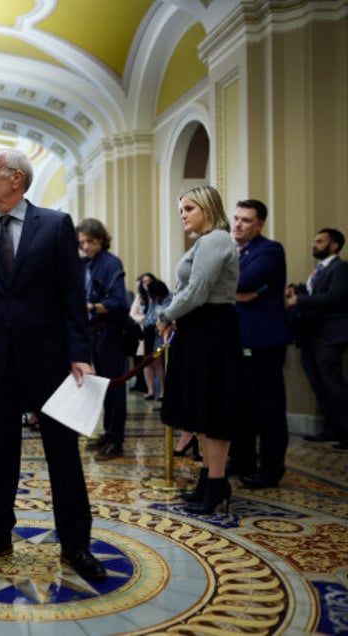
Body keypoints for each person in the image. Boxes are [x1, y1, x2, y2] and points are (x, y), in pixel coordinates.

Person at [0, 148, 105, 582]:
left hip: (51, 363)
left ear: (16, 178)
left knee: (64, 458)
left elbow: (71, 297)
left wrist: (80, 354)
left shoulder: (55, 225)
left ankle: (76, 543)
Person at [157, 185, 242, 514]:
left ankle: (217, 484)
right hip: (200, 329)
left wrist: (165, 315)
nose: (183, 215)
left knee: (214, 411)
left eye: (189, 209)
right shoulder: (205, 242)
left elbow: (198, 290)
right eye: (181, 210)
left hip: (212, 330)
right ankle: (208, 480)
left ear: (208, 208)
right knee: (203, 412)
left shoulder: (216, 239)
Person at [230, 200, 292, 486]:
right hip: (238, 339)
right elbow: (228, 285)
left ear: (260, 224)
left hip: (264, 341)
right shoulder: (234, 251)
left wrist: (236, 290)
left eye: (246, 220)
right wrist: (237, 294)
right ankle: (242, 459)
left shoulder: (270, 250)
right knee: (240, 405)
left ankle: (270, 469)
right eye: (236, 218)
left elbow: (246, 281)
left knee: (268, 409)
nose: (238, 224)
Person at [285, 228, 348, 450]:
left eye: (320, 241)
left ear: (334, 246)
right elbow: (315, 293)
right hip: (311, 334)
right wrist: (298, 289)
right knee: (319, 384)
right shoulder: (319, 270)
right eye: (314, 241)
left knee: (333, 384)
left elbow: (334, 297)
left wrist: (299, 300)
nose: (314, 244)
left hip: (330, 335)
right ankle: (331, 429)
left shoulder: (341, 268)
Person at [76, 218, 129, 460]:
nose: (85, 246)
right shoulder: (86, 264)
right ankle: (108, 434)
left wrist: (92, 306)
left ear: (100, 239)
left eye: (89, 241)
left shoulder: (110, 263)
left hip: (110, 332)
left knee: (115, 388)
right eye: (82, 242)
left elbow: (119, 303)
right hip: (93, 333)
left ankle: (116, 440)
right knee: (102, 389)